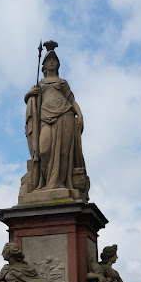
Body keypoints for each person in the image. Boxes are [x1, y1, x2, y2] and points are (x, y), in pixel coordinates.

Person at [24, 44, 86, 190]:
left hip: (65, 115)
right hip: (45, 118)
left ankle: (60, 184)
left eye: (54, 59)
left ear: (58, 64)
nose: (51, 62)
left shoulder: (62, 82)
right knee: (44, 150)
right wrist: (29, 94)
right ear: (43, 66)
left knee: (63, 153)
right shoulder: (40, 84)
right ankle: (46, 184)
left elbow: (71, 100)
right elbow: (29, 100)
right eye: (48, 60)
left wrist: (80, 114)